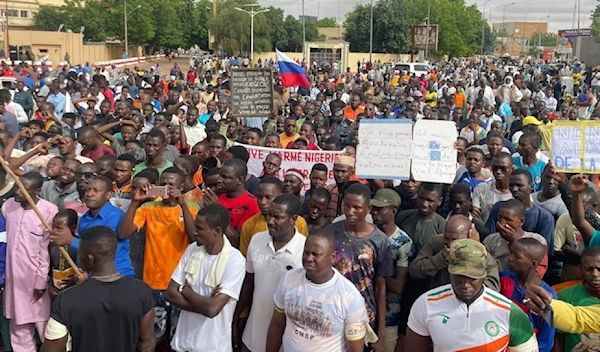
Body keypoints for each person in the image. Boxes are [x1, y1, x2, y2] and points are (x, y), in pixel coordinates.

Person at [406, 239, 538, 352]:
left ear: (484, 274)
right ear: (449, 271)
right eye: (459, 276)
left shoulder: (511, 313)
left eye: (472, 277)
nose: (465, 284)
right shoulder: (426, 304)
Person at [119, 167, 199, 345]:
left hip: (180, 284)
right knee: (151, 338)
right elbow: (124, 233)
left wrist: (182, 204)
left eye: (171, 184)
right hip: (153, 283)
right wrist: (135, 202)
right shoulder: (149, 207)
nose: (166, 187)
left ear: (182, 186)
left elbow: (194, 236)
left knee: (178, 338)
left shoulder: (191, 208)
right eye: (162, 184)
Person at [41, 226, 155, 352]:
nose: (79, 259)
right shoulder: (142, 292)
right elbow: (147, 342)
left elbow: (51, 348)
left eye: (80, 254)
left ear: (90, 258)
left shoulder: (67, 300)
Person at [265, 229, 371, 352]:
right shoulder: (289, 279)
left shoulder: (350, 297)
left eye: (316, 254)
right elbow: (277, 324)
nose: (309, 258)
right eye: (306, 253)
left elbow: (355, 349)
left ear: (333, 257)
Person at [165, 204, 245, 352]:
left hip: (212, 347)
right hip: (181, 344)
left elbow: (212, 309)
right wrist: (203, 305)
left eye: (200, 228)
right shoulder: (192, 249)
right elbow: (170, 293)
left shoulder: (235, 260)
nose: (194, 232)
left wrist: (185, 290)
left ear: (216, 231)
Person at [236, 194, 306, 352]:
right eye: (268, 216)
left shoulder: (304, 250)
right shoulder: (256, 240)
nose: (270, 221)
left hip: (287, 341)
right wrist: (234, 319)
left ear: (293, 219)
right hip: (253, 333)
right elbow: (248, 283)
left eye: (277, 217)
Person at [329, 183, 394, 351]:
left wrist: (381, 333)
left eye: (356, 207)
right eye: (346, 206)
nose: (350, 212)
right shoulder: (330, 233)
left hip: (363, 318)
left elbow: (380, 287)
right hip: (331, 313)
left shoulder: (379, 241)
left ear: (368, 208)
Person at [3, 172, 58, 351]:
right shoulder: (8, 206)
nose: (17, 191)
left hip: (35, 279)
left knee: (44, 327)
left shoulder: (49, 211)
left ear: (38, 191)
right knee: (18, 328)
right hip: (13, 279)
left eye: (24, 189)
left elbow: (46, 250)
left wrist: (41, 281)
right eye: (17, 186)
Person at [50, 175, 135, 278]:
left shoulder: (116, 217)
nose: (90, 194)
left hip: (116, 276)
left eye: (96, 190)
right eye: (88, 190)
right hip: (93, 276)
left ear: (108, 195)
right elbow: (83, 255)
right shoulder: (85, 218)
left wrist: (71, 240)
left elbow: (104, 250)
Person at [370, 188, 414, 352]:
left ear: (393, 211)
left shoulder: (403, 243)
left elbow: (398, 286)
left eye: (380, 209)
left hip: (389, 318)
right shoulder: (369, 235)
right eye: (373, 208)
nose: (374, 212)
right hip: (365, 314)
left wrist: (373, 270)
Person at [409, 215, 500, 291]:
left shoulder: (482, 253)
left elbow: (493, 287)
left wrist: (473, 251)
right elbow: (414, 271)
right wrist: (440, 260)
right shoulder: (436, 242)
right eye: (447, 238)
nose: (449, 244)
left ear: (469, 235)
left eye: (455, 240)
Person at [499, 238, 556, 352]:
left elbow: (546, 340)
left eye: (517, 256)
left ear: (533, 264)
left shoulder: (547, 296)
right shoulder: (503, 278)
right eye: (511, 253)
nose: (510, 258)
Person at [486, 169, 555, 256]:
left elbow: (543, 254)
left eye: (519, 185)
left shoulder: (544, 217)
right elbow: (490, 238)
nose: (514, 189)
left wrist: (514, 240)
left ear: (531, 186)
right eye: (511, 185)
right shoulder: (499, 208)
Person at [239, 177, 308, 257]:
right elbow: (245, 257)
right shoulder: (249, 225)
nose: (263, 202)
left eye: (268, 197)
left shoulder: (299, 222)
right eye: (259, 197)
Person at [483, 199, 549, 278]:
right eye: (499, 217)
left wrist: (513, 241)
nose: (502, 223)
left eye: (508, 219)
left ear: (521, 221)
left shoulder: (537, 241)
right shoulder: (491, 240)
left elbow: (538, 274)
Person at [553, 247, 600, 351]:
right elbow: (558, 337)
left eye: (599, 269)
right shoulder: (564, 296)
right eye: (588, 269)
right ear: (580, 268)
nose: (594, 274)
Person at [212, 159, 260, 243]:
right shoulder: (216, 197)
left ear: (240, 180)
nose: (219, 180)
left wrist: (217, 210)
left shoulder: (252, 204)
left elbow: (238, 241)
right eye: (220, 176)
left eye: (225, 177)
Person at [396, 182, 446, 252]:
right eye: (421, 198)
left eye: (430, 201)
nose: (424, 204)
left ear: (439, 201)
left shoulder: (443, 226)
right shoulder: (403, 217)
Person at [472, 152, 514, 222]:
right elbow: (476, 217)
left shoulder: (518, 192)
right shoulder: (481, 189)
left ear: (512, 169)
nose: (498, 171)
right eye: (495, 168)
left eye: (503, 168)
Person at [326, 155, 355, 221]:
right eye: (336, 171)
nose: (339, 175)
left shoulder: (355, 193)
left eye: (343, 171)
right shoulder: (329, 190)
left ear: (352, 172)